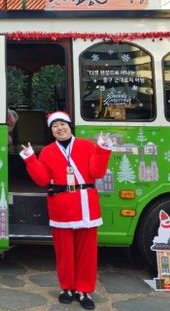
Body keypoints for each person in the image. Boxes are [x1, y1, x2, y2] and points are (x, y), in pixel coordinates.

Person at [19, 111, 112, 310]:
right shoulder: (47, 151)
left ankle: (84, 290)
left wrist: (103, 150)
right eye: (55, 126)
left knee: (87, 252)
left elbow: (97, 172)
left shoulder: (87, 146)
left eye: (63, 124)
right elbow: (43, 180)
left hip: (86, 204)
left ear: (70, 126)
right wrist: (30, 159)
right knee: (64, 252)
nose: (60, 128)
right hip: (61, 206)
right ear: (51, 131)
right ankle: (67, 288)